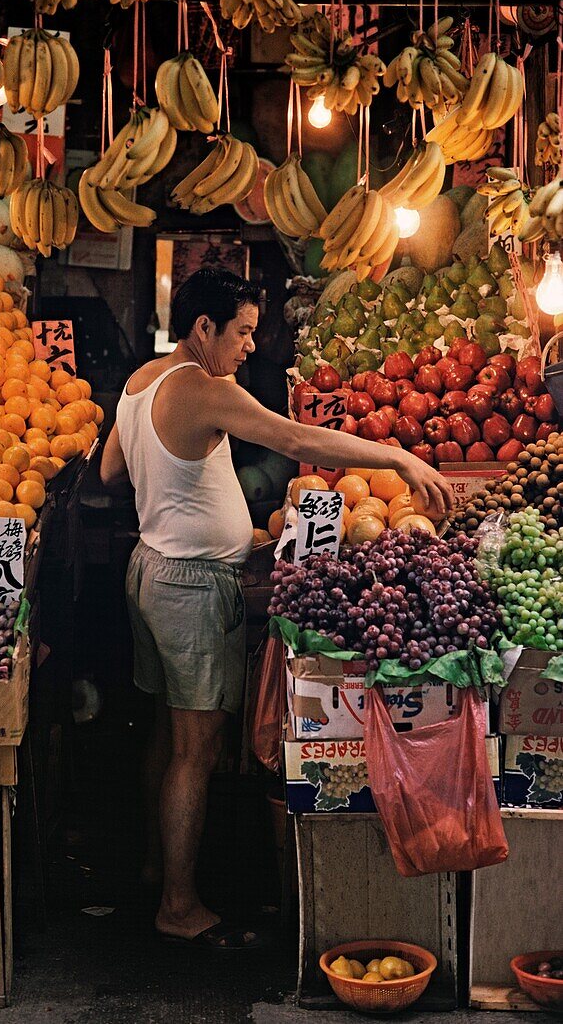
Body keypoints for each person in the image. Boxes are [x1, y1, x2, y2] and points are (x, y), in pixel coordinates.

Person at [100, 267, 454, 950]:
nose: (249, 348)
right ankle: (177, 905)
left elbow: (114, 471)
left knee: (165, 731)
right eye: (240, 332)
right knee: (195, 749)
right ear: (203, 328)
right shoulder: (203, 388)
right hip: (191, 586)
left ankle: (155, 867)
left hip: (148, 569)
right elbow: (294, 441)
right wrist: (395, 458)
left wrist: (188, 498)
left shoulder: (143, 379)